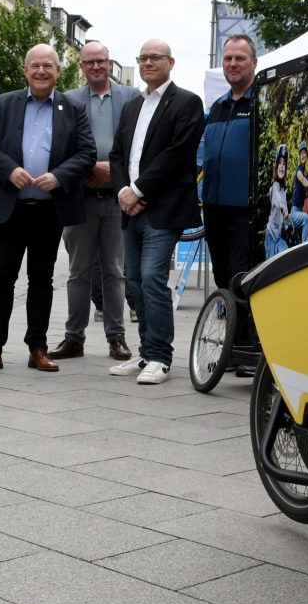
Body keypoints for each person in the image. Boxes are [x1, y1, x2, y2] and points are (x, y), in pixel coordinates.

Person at [0, 44, 96, 374]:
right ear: (26, 71)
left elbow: (86, 153)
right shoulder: (5, 103)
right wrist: (9, 170)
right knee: (2, 279)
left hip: (49, 209)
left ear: (57, 72)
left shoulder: (74, 107)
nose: (41, 71)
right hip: (10, 208)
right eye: (35, 66)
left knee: (41, 280)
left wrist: (60, 175)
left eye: (48, 66)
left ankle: (37, 347)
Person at [108, 39, 204, 384]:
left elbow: (177, 155)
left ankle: (161, 357)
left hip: (162, 210)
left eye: (155, 57)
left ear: (171, 62)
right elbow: (118, 154)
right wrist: (122, 190)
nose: (148, 63)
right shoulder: (133, 106)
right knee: (133, 282)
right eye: (143, 58)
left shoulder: (187, 103)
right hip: (129, 208)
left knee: (152, 278)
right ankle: (146, 352)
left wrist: (138, 189)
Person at [49, 41, 140, 364]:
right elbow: (59, 146)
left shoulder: (131, 97)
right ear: (82, 67)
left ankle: (117, 338)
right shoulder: (68, 100)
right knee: (78, 272)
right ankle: (74, 338)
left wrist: (112, 173)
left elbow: (137, 143)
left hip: (118, 199)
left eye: (101, 61)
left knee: (115, 271)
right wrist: (90, 167)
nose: (96, 67)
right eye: (89, 63)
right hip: (80, 198)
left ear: (110, 63)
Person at [202, 34, 257, 289]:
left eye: (240, 58)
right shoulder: (217, 107)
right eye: (228, 58)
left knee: (241, 281)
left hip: (245, 212)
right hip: (214, 211)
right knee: (222, 280)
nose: (232, 63)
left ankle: (244, 330)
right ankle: (233, 328)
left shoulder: (261, 103)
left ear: (254, 63)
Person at [265, 145, 293, 259]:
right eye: (280, 163)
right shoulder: (274, 187)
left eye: (284, 164)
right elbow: (277, 202)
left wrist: (289, 220)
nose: (282, 166)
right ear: (276, 167)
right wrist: (284, 209)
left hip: (279, 237)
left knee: (288, 258)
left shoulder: (283, 190)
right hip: (271, 236)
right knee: (271, 272)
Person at [290, 141, 308, 242]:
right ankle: (304, 245)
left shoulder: (305, 172)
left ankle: (301, 244)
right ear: (299, 155)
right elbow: (304, 181)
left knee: (305, 220)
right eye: (301, 153)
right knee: (307, 218)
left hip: (300, 211)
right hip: (294, 213)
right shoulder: (298, 170)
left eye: (305, 153)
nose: (303, 155)